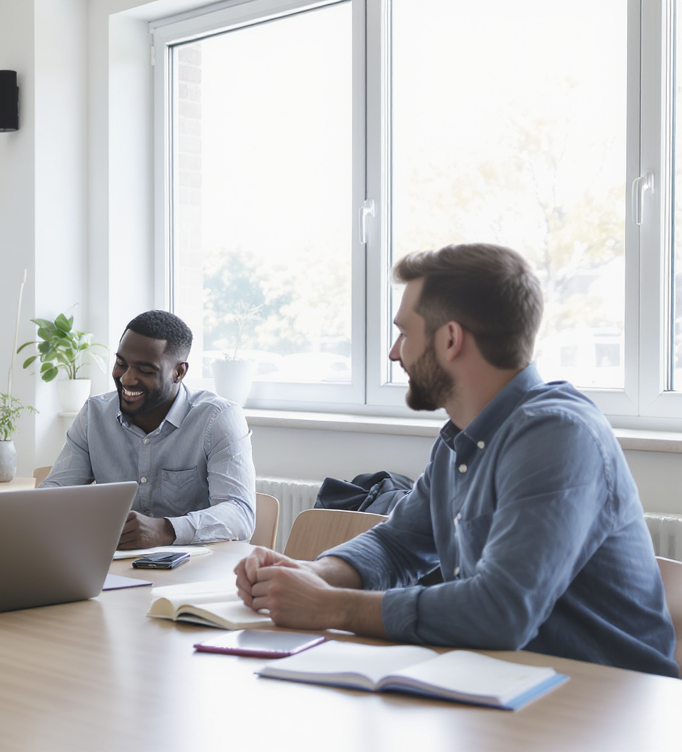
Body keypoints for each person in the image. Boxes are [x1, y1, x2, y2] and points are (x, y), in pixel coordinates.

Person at [234, 243, 678, 678]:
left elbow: (501, 612)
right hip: (499, 687)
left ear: (450, 339)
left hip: (609, 705)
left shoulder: (557, 435)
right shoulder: (460, 440)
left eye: (405, 334)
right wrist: (311, 574)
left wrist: (330, 606)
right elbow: (397, 544)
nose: (393, 353)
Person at [39, 310, 255, 549]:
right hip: (117, 568)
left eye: (145, 370)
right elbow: (56, 493)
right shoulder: (94, 414)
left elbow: (240, 514)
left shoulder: (218, 418)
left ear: (179, 372)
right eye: (121, 363)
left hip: (195, 572)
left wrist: (166, 530)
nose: (127, 379)